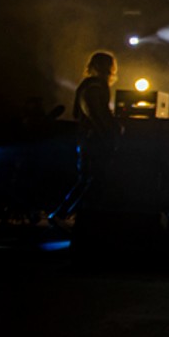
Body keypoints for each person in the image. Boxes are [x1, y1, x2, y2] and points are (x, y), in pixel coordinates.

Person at [50, 51, 120, 223]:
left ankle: (65, 214)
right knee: (94, 180)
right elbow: (96, 114)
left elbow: (79, 113)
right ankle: (66, 214)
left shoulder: (87, 85)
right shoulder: (95, 86)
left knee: (87, 179)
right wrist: (110, 131)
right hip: (94, 139)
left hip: (87, 138)